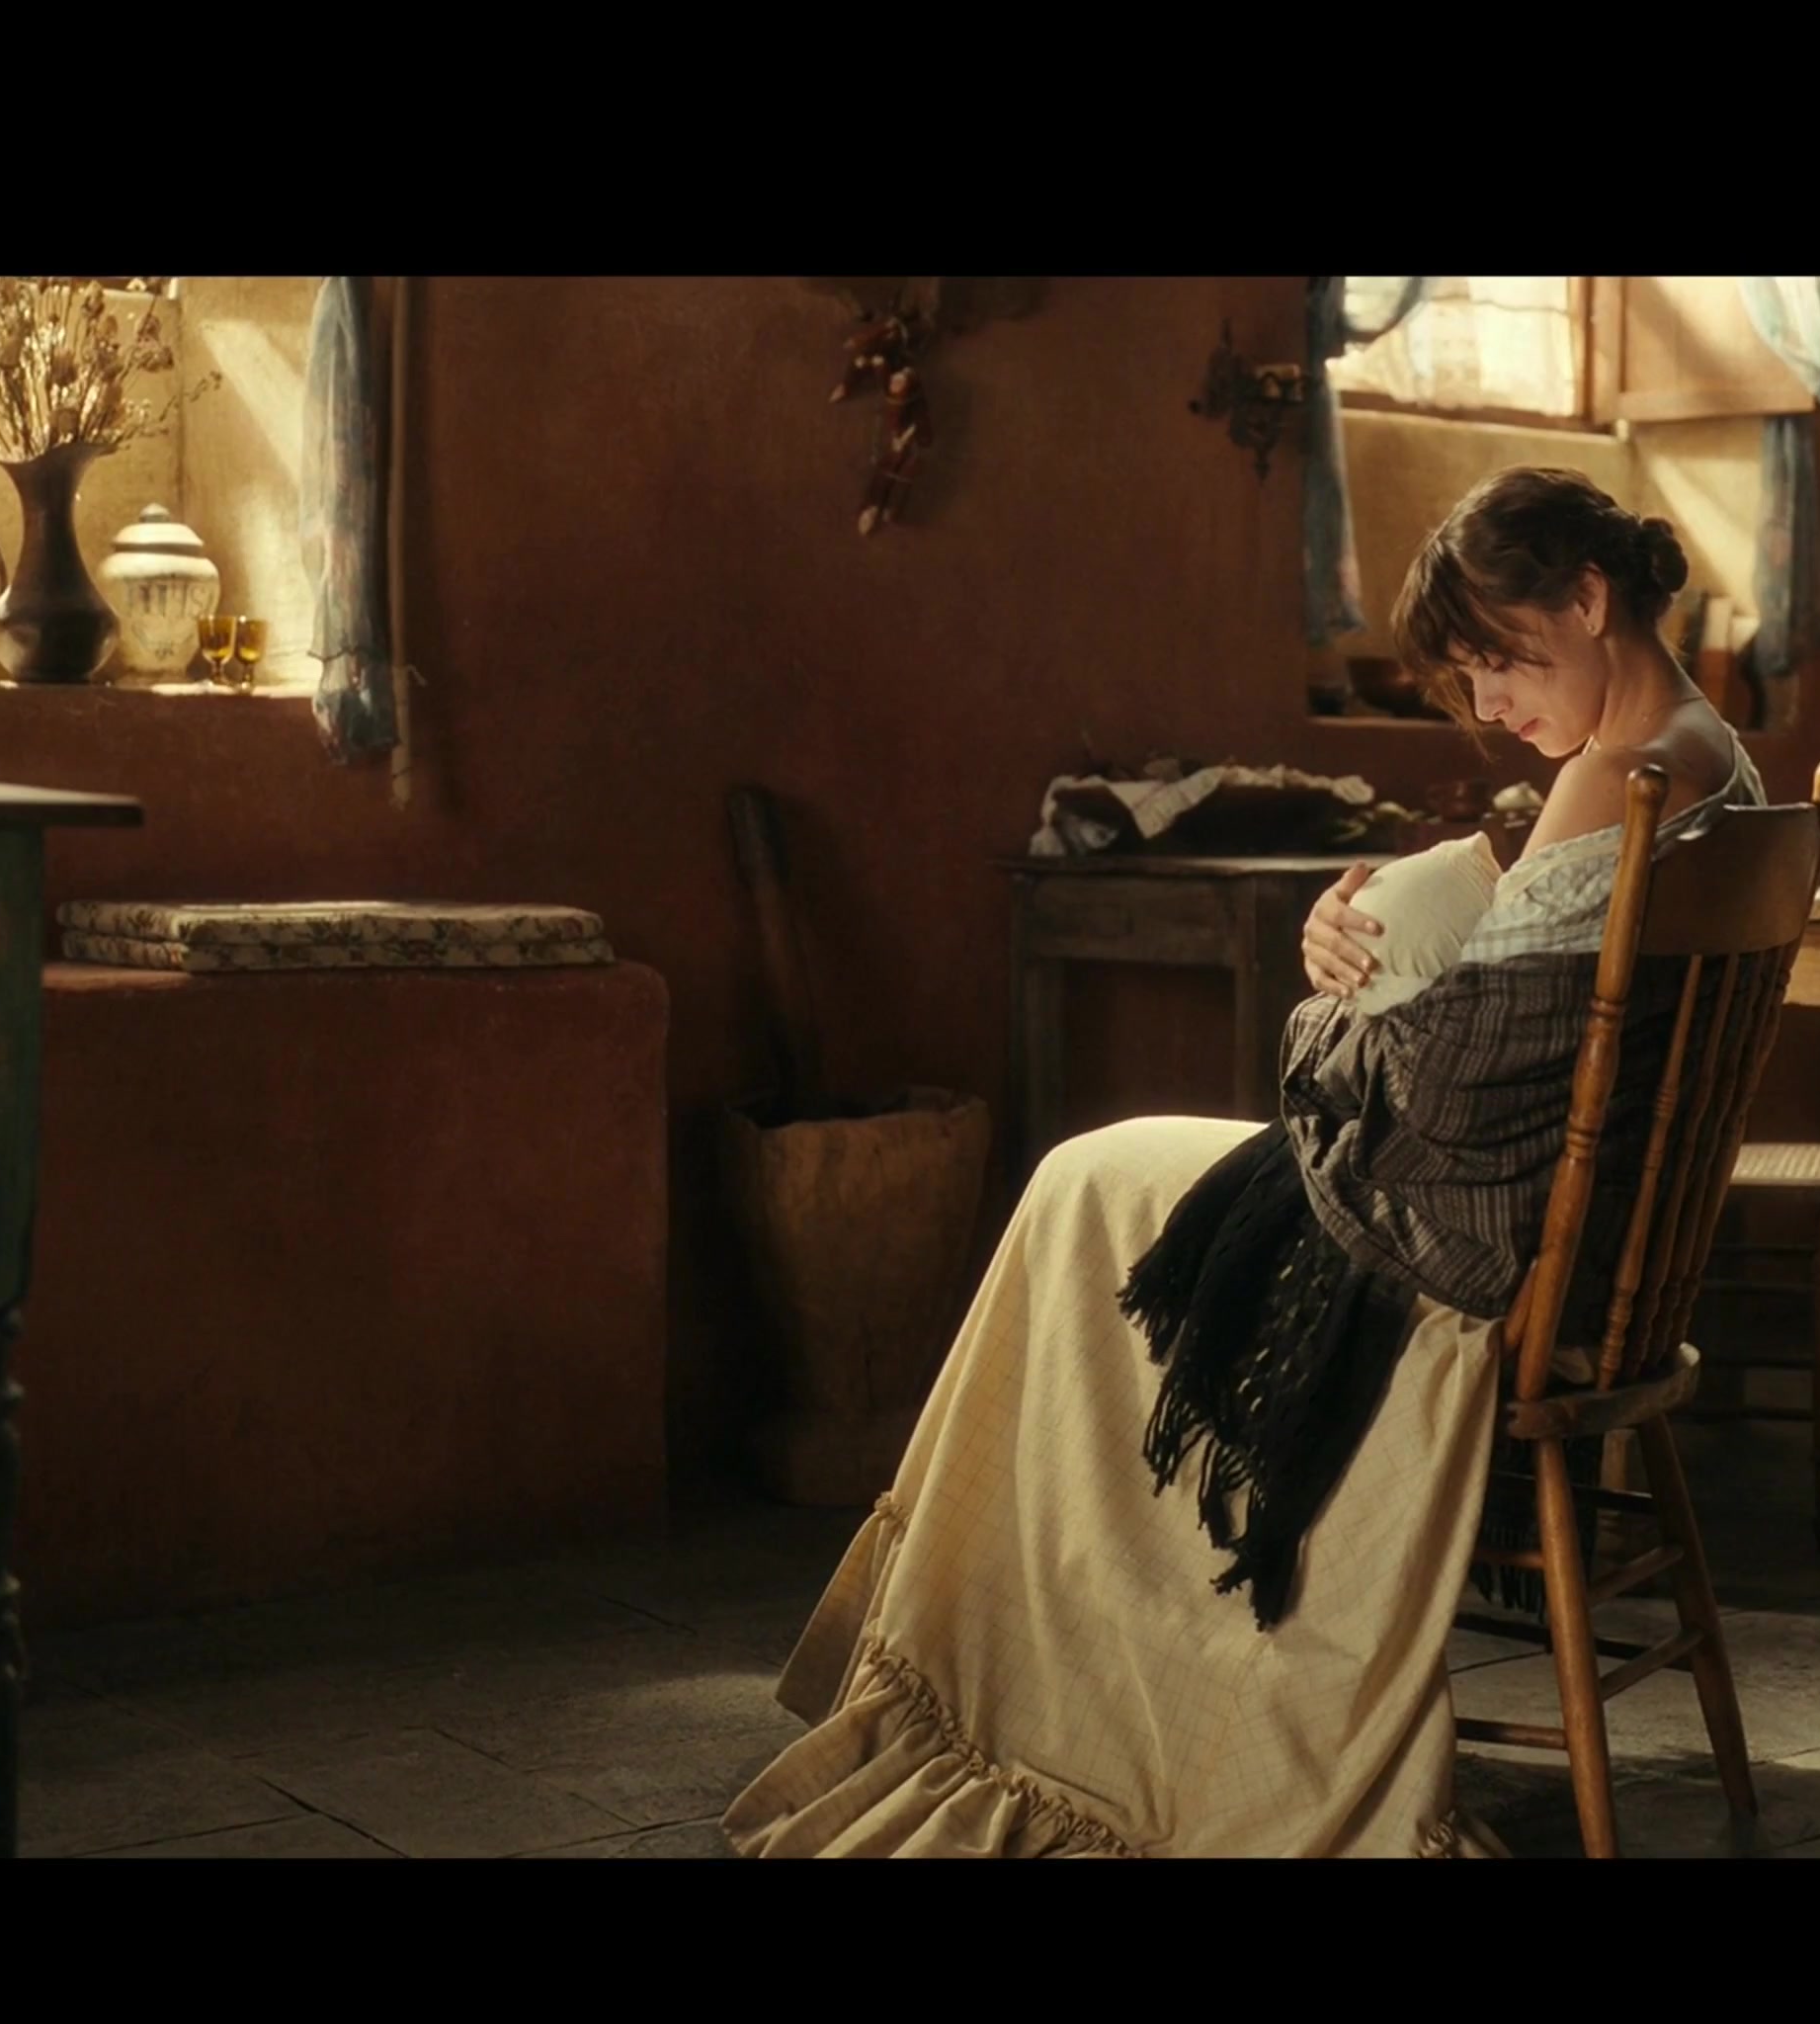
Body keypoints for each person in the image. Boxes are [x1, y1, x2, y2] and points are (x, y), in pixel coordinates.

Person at [722, 468, 1763, 1857]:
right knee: (1097, 1181)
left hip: (1480, 1241)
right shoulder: (1703, 757)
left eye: (1499, 661)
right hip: (1579, 1235)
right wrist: (1376, 924)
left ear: (1587, 598)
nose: (1488, 705)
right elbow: (1529, 989)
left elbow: (1456, 1080)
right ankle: (1041, 1626)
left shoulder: (1618, 780)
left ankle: (1044, 1662)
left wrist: (1327, 1012)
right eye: (1467, 679)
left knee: (1081, 1183)